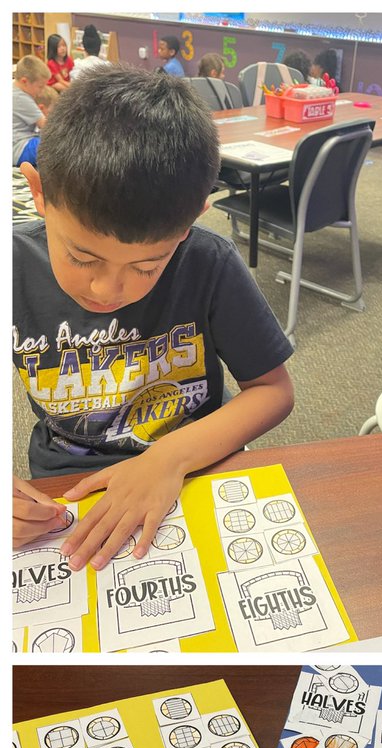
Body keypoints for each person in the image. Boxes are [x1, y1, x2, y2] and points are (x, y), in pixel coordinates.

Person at [12, 67, 294, 563]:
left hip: (196, 464)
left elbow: (273, 391)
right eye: (82, 257)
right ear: (38, 192)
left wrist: (171, 457)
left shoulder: (208, 262)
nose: (107, 288)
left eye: (147, 265)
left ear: (192, 220)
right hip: (67, 481)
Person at [13, 56, 50, 167]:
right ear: (25, 81)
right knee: (57, 146)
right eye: (40, 87)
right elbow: (47, 126)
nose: (41, 92)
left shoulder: (13, 88)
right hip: (19, 149)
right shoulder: (21, 98)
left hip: (20, 142)